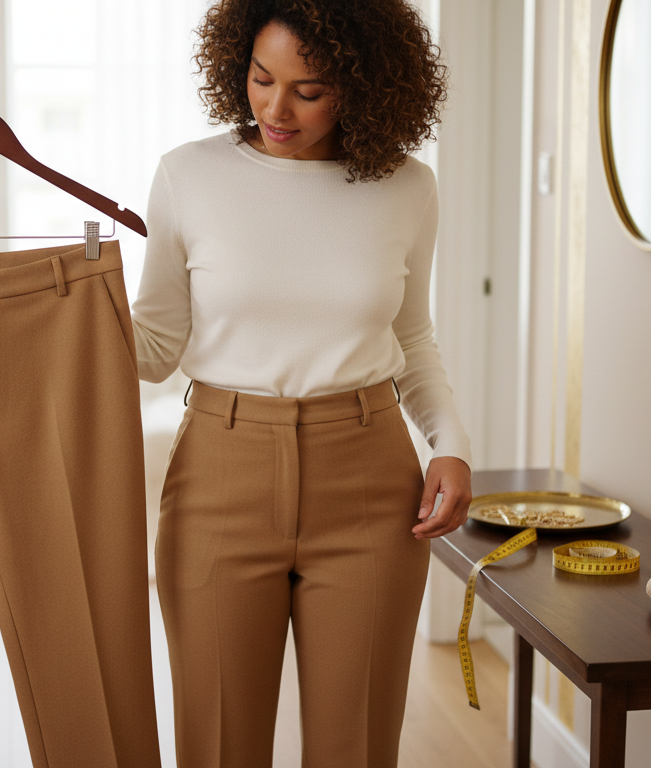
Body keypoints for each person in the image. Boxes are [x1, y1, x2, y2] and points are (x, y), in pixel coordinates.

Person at [130, 1, 472, 765]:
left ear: (363, 83)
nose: (275, 108)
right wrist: (56, 314)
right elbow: (154, 344)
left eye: (308, 89)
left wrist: (450, 444)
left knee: (357, 744)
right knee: (218, 743)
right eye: (260, 79)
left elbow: (410, 335)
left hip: (369, 479)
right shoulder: (188, 176)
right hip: (221, 472)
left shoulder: (407, 187)